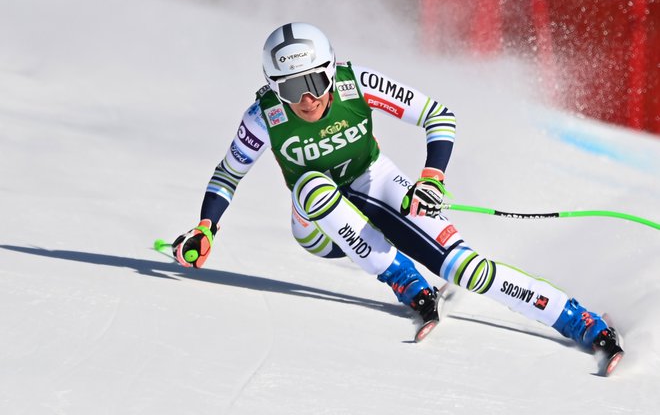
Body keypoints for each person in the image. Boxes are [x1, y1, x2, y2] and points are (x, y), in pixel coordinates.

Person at [172, 22, 622, 367]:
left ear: (330, 72)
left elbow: (438, 116)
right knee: (312, 186)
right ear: (274, 87)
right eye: (291, 88)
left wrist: (431, 178)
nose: (306, 99)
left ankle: (580, 321)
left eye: (315, 82)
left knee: (467, 269)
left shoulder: (357, 84)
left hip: (375, 182)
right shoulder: (263, 116)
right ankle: (403, 279)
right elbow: (228, 173)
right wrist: (206, 227)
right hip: (315, 226)